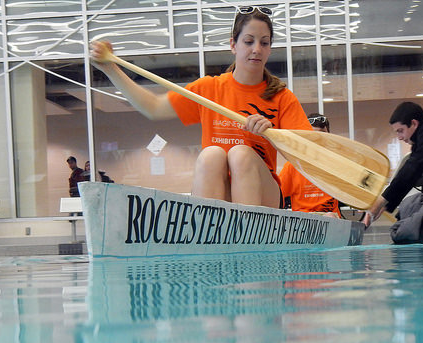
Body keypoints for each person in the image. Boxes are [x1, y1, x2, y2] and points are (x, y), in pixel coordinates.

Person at [90, 6, 311, 208]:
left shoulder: (281, 97)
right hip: (218, 188)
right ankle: (209, 241)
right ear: (233, 45)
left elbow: (308, 154)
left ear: (270, 48)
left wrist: (274, 134)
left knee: (241, 154)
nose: (257, 49)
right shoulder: (209, 88)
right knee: (211, 155)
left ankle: (246, 240)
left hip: (265, 195)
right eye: (249, 41)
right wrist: (110, 69)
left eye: (264, 42)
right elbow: (153, 107)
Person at [279, 113, 341, 217]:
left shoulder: (337, 165)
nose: (316, 139)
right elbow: (276, 199)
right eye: (312, 135)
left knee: (330, 216)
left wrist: (366, 218)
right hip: (303, 224)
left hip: (333, 221)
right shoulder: (293, 166)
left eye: (322, 134)